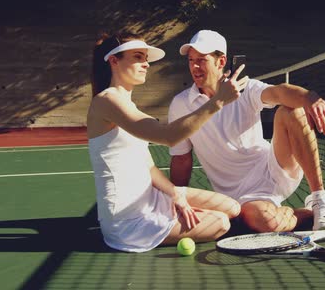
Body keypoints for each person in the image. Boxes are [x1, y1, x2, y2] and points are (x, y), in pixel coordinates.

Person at [168, 30, 325, 233]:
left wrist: (309, 97)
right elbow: (181, 158)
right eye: (191, 60)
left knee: (292, 111)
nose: (194, 66)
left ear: (221, 62)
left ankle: (320, 199)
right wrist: (176, 200)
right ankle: (315, 212)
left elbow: (279, 92)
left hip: (274, 168)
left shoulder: (246, 89)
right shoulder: (180, 104)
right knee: (263, 221)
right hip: (238, 196)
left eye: (201, 60)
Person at [86, 31, 245, 252]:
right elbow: (169, 137)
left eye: (145, 58)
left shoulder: (127, 104)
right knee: (221, 222)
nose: (146, 64)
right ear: (114, 61)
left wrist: (174, 193)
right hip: (127, 221)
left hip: (152, 198)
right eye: (138, 57)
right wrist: (217, 102)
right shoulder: (107, 101)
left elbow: (148, 165)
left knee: (233, 207)